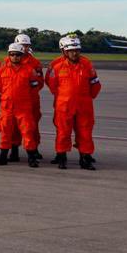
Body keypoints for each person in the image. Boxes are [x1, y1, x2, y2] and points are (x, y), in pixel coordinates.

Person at [46, 36, 101, 170]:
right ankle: (62, 157)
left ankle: (85, 159)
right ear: (65, 52)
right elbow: (51, 84)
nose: (74, 53)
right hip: (64, 105)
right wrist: (64, 97)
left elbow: (95, 84)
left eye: (77, 50)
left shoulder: (87, 66)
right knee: (63, 132)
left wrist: (87, 98)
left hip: (84, 105)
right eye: (71, 51)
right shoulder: (57, 67)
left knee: (85, 132)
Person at [0, 43, 42, 168]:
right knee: (5, 132)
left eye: (18, 55)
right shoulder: (2, 70)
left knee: (28, 132)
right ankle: (3, 156)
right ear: (9, 55)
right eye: (12, 54)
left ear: (22, 56)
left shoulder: (30, 70)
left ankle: (32, 158)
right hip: (7, 107)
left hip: (24, 107)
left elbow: (34, 88)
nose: (15, 57)